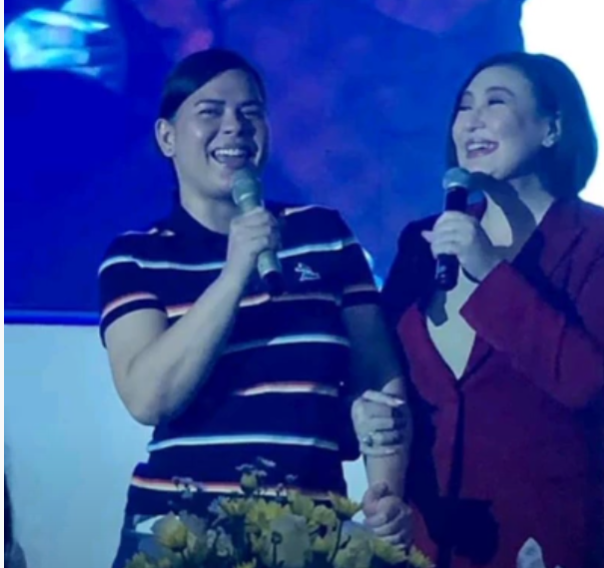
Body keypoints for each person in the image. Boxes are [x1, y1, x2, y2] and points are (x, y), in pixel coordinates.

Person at [98, 48, 411, 567]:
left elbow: (379, 380)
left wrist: (384, 493)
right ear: (167, 137)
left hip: (309, 528)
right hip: (182, 531)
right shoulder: (137, 256)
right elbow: (149, 398)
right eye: (210, 111)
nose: (235, 127)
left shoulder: (323, 234)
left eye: (250, 112)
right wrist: (234, 272)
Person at [373, 52, 604, 567]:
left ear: (552, 128)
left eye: (495, 103)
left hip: (539, 534)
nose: (472, 121)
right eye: (464, 107)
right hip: (428, 535)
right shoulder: (422, 242)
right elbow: (384, 372)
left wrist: (488, 270)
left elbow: (585, 381)